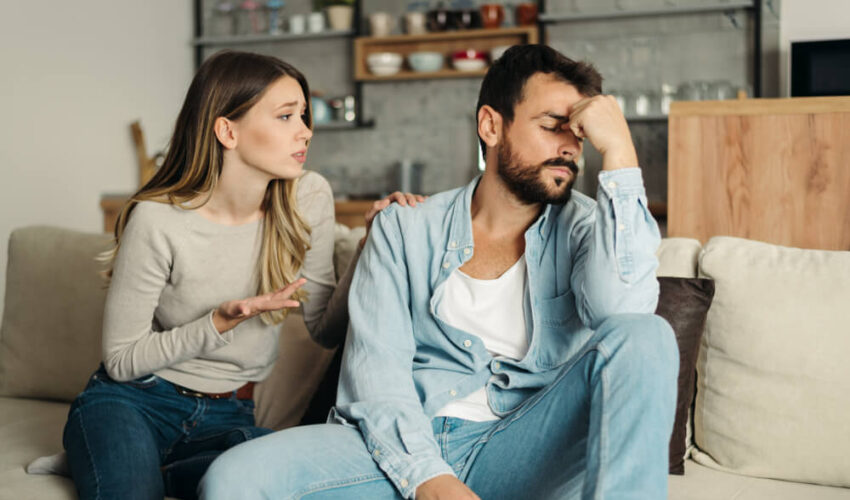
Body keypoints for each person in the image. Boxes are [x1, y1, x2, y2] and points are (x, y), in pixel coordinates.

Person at [199, 44, 679, 500]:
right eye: (554, 125)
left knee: (647, 334)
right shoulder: (405, 228)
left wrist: (619, 153)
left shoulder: (590, 230)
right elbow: (376, 377)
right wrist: (430, 479)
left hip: (526, 445)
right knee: (232, 477)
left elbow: (623, 315)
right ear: (491, 126)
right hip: (407, 441)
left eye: (581, 133)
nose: (571, 146)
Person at [61, 50, 421, 500]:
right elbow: (120, 359)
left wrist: (373, 245)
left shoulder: (308, 196)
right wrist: (217, 324)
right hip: (134, 404)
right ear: (228, 130)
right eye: (286, 116)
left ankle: (138, 466)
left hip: (230, 417)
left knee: (296, 476)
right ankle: (117, 455)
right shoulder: (158, 220)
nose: (306, 131)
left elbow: (325, 330)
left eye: (303, 116)